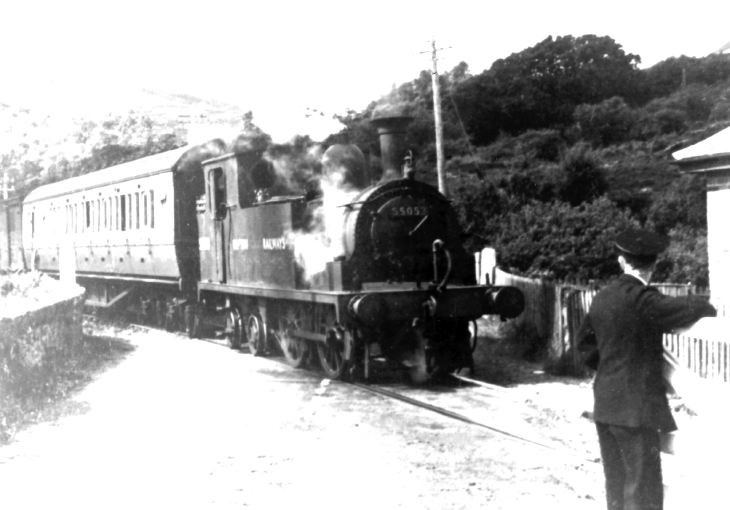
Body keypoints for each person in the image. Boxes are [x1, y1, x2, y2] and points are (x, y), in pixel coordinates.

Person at [577, 228, 716, 510]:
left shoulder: (602, 297)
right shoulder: (644, 300)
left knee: (616, 488)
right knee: (643, 493)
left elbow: (586, 349)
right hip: (636, 412)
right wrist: (709, 306)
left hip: (606, 406)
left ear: (621, 261)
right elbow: (695, 307)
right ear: (653, 265)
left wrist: (612, 371)